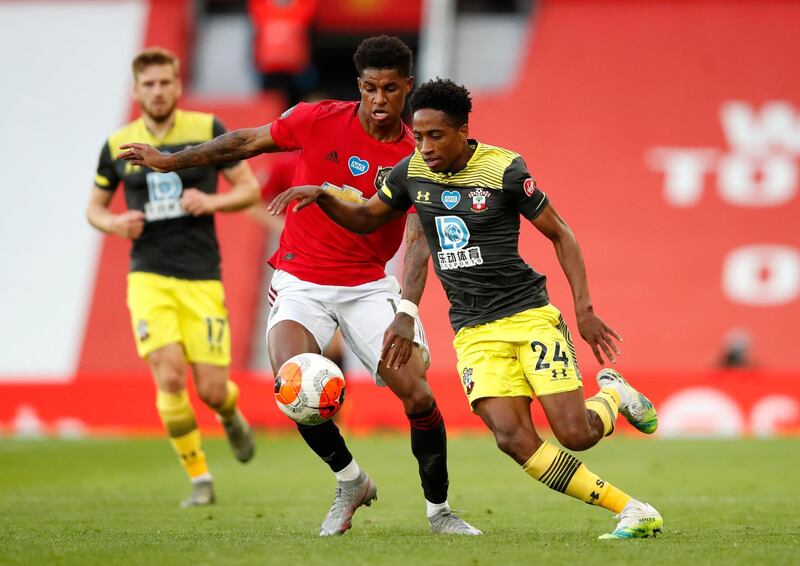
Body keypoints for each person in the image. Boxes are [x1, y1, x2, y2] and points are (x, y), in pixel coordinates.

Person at [267, 78, 665, 540]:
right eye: (417, 136)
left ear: (462, 131)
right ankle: (633, 510)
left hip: (527, 315)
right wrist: (323, 196)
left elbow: (561, 233)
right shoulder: (411, 172)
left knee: (576, 433)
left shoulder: (504, 170)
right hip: (473, 330)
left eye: (436, 136)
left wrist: (585, 310)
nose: (425, 147)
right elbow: (366, 217)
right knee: (513, 440)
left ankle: (614, 395)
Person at [118, 36, 481, 537]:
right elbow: (246, 141)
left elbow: (419, 238)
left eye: (391, 89)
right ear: (359, 86)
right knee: (291, 385)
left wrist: (408, 309)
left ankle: (439, 512)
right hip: (301, 280)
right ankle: (350, 481)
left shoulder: (418, 150)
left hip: (369, 285)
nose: (379, 99)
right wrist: (170, 161)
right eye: (370, 87)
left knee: (416, 394)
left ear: (407, 88)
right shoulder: (317, 119)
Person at [86, 47, 260, 507]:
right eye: (149, 84)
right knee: (168, 374)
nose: (158, 91)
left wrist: (213, 202)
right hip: (148, 274)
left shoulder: (205, 130)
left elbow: (249, 188)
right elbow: (95, 209)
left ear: (178, 85)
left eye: (165, 82)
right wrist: (114, 224)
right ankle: (199, 477)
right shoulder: (117, 144)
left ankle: (230, 413)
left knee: (211, 389)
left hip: (202, 275)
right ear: (136, 90)